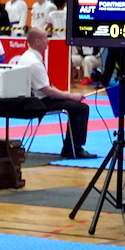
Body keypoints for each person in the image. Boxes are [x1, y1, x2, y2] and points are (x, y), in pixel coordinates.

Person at [18, 28, 96, 160]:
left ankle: (69, 148)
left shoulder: (27, 56)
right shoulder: (34, 62)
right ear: (37, 41)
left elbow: (47, 86)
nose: (47, 41)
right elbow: (48, 92)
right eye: (45, 38)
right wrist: (71, 96)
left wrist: (66, 94)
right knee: (81, 108)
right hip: (38, 103)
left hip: (33, 99)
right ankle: (75, 149)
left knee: (75, 106)